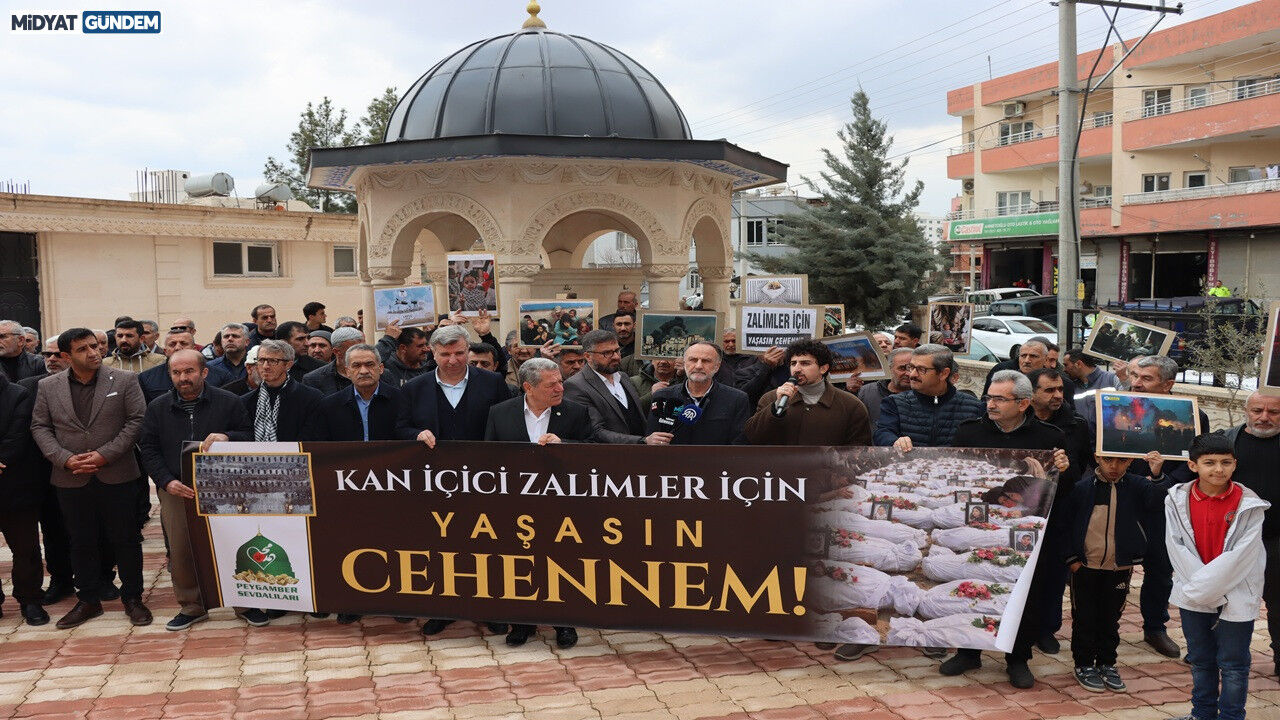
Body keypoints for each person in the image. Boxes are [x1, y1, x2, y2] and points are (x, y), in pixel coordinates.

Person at [938, 370, 1073, 688]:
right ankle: (968, 651)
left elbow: (1066, 490)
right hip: (980, 521)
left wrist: (1061, 472)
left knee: (1023, 593)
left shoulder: (1049, 438)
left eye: (1000, 399)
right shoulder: (969, 432)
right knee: (974, 580)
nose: (991, 404)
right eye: (989, 397)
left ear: (1024, 403)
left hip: (1024, 529)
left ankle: (1018, 657)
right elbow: (956, 478)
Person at [30, 328, 151, 629]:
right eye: (83, 349)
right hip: (70, 477)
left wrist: (104, 455)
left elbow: (136, 421)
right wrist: (64, 459)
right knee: (80, 541)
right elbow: (40, 427)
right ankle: (88, 600)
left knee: (126, 539)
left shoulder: (124, 380)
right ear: (67, 356)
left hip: (117, 472)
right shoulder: (48, 386)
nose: (94, 353)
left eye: (95, 346)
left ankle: (133, 598)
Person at [394, 324, 510, 637]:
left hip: (485, 482)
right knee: (440, 547)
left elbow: (507, 424)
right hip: (435, 485)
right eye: (445, 354)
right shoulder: (413, 389)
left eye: (460, 352)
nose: (453, 360)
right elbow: (400, 427)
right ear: (432, 353)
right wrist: (416, 434)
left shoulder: (493, 383)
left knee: (486, 547)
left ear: (468, 351)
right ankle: (443, 609)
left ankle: (490, 609)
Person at [137, 350, 262, 630]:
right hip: (177, 488)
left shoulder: (229, 401)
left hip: (226, 488)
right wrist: (166, 481)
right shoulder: (157, 407)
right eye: (177, 373)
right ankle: (192, 606)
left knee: (235, 544)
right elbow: (148, 448)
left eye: (189, 371)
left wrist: (227, 437)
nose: (184, 378)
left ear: (204, 372)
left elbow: (249, 436)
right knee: (181, 550)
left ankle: (246, 602)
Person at [1166, 433, 1266, 720]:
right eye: (1209, 462)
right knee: (1200, 660)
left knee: (1234, 664)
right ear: (1193, 465)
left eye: (1225, 462)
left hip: (1235, 592)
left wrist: (1208, 589)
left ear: (1235, 464)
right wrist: (1204, 590)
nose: (1218, 469)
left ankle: (1232, 716)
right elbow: (1177, 548)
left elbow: (1242, 556)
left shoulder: (1250, 504)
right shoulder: (1176, 500)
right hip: (1193, 593)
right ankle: (1202, 714)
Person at [308, 344, 405, 626]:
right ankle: (353, 602)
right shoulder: (329, 405)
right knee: (351, 546)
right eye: (357, 366)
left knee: (393, 545)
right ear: (347, 370)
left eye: (369, 364)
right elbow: (319, 449)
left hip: (392, 488)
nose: (364, 371)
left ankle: (399, 601)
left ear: (380, 368)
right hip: (345, 491)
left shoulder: (400, 400)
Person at [1125, 354, 1211, 658]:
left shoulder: (1190, 414)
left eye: (1146, 378)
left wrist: (1161, 483)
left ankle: (1155, 628)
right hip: (1124, 496)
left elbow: (1193, 463)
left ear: (1168, 384)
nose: (1136, 383)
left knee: (1160, 568)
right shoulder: (1119, 406)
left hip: (1166, 502)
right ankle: (1104, 627)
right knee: (1114, 565)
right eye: (1135, 376)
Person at [1061, 451, 1167, 692]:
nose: (1114, 466)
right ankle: (1084, 664)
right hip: (1086, 566)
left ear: (1130, 461)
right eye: (1108, 460)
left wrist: (1158, 474)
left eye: (1121, 461)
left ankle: (1107, 663)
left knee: (1111, 618)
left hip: (1120, 566)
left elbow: (1158, 502)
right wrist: (1071, 559)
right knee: (1085, 617)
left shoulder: (1139, 486)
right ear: (1097, 457)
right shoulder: (1083, 488)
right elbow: (1065, 524)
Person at [1221, 392, 1280, 674]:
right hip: (1235, 538)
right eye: (1257, 410)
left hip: (1277, 537)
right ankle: (1220, 653)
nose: (1264, 417)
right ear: (1246, 410)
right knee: (1227, 597)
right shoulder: (1227, 442)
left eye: (1273, 412)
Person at [745, 338, 872, 447]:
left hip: (828, 474)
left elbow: (859, 450)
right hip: (782, 474)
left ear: (823, 368)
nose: (797, 369)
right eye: (793, 363)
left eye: (805, 363)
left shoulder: (851, 405)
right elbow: (753, 437)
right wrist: (776, 408)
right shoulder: (771, 398)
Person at [0, 362, 49, 625]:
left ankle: (30, 599)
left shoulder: (17, 394)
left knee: (26, 549)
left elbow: (17, 439)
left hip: (14, 487)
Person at [563, 330, 669, 446]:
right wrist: (641, 441)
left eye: (617, 351)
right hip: (610, 457)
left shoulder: (623, 377)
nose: (616, 357)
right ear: (588, 356)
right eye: (607, 353)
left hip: (641, 454)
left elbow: (635, 416)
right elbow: (595, 432)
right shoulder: (576, 386)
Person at [874, 344, 984, 451]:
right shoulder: (894, 403)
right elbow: (882, 433)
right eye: (911, 367)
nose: (912, 374)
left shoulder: (975, 408)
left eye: (921, 369)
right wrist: (895, 441)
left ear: (943, 373)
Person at [645, 342, 750, 445]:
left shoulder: (736, 399)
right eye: (693, 360)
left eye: (706, 361)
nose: (699, 366)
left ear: (717, 366)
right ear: (685, 363)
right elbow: (652, 437)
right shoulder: (663, 396)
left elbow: (738, 444)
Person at [242, 340, 323, 443]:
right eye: (261, 360)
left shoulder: (311, 398)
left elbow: (312, 436)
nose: (266, 366)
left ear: (288, 365)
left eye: (273, 361)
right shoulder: (246, 401)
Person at [138, 328, 231, 403]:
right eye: (172, 344)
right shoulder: (146, 378)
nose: (178, 347)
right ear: (165, 351)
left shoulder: (220, 376)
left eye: (183, 343)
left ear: (194, 349)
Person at [857, 348, 913, 426]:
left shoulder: (924, 394)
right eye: (902, 368)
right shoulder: (866, 392)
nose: (908, 373)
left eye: (912, 368)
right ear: (889, 369)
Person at [303, 327, 363, 396]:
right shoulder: (313, 379)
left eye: (362, 348)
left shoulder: (373, 373)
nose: (360, 353)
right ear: (336, 351)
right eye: (354, 350)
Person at [1062, 348, 1119, 417]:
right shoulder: (1071, 386)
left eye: (1066, 365)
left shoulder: (1112, 379)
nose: (1064, 369)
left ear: (1078, 364)